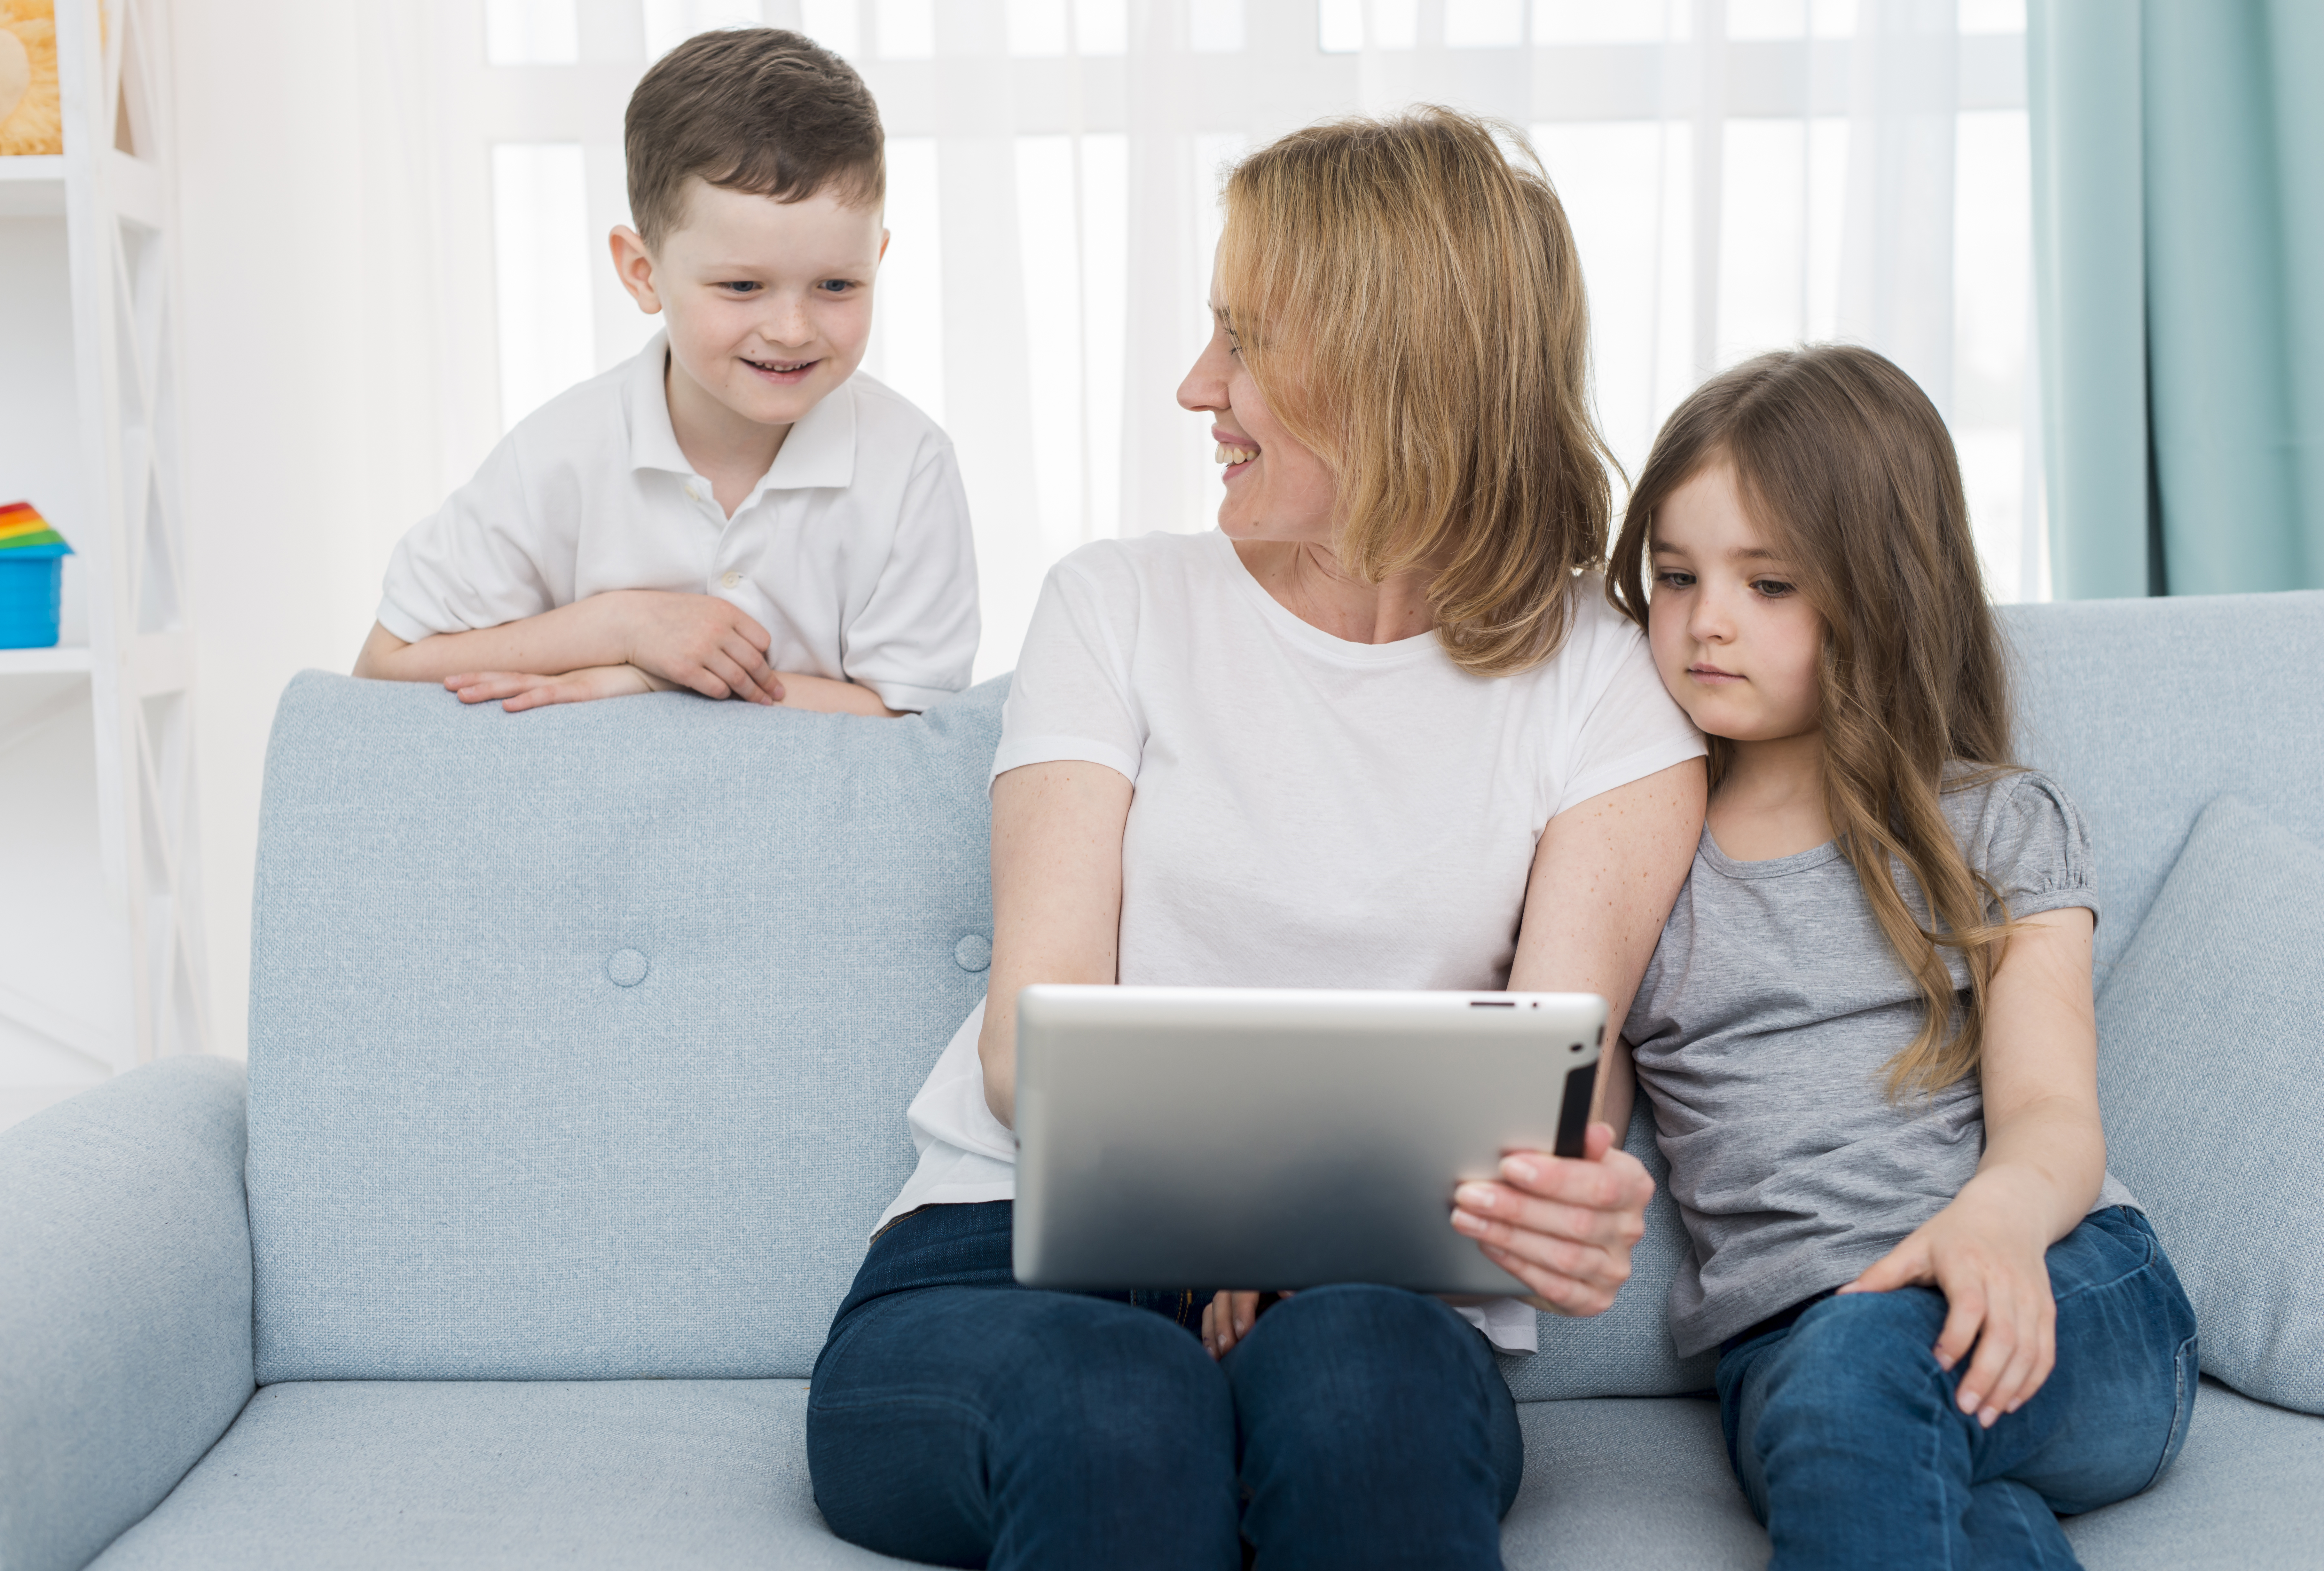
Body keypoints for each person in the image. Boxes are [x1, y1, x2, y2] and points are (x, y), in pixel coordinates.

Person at [804, 108, 1708, 1569]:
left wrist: (1568, 1200)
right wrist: (1260, 1211)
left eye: (1243, 340)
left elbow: (1549, 1072)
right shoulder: (1117, 605)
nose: (1193, 386)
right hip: (1013, 1254)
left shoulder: (1601, 684)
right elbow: (1030, 1045)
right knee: (1118, 1395)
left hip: (1371, 1297)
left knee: (1363, 1386)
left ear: (1394, 371)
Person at [1606, 344, 2199, 1569]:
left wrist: (1992, 1225)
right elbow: (1561, 1097)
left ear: (1881, 590)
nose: (1708, 619)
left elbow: (2052, 1113)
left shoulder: (1994, 824)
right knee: (1894, 1444)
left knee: (1857, 1383)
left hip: (2062, 1283)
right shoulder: (1629, 847)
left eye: (1769, 585)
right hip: (1796, 1346)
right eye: (1676, 576)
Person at [353, 29, 978, 718]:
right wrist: (619, 627)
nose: (792, 330)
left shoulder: (911, 466)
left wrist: (657, 680)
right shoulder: (556, 456)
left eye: (836, 285)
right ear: (641, 272)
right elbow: (383, 668)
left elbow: (918, 729)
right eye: (742, 287)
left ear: (877, 261)